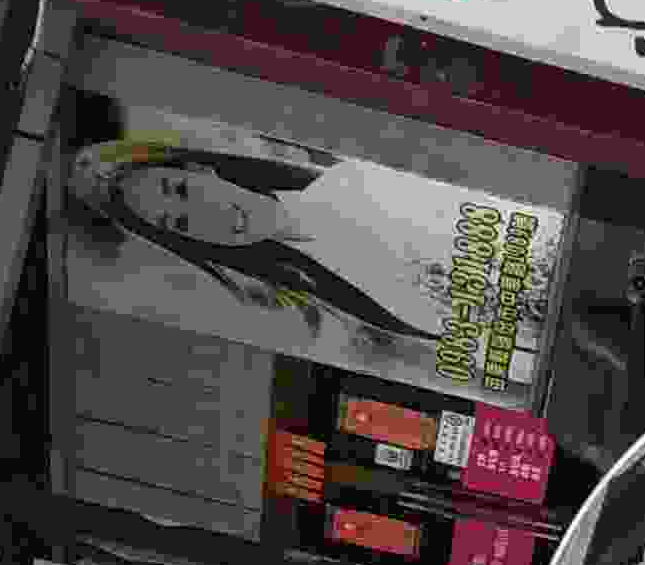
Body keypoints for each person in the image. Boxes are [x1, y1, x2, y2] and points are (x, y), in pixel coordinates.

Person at [64, 135, 561, 392]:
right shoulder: (324, 304)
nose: (205, 214)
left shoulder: (356, 180)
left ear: (202, 169)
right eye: (178, 223)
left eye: (180, 189)